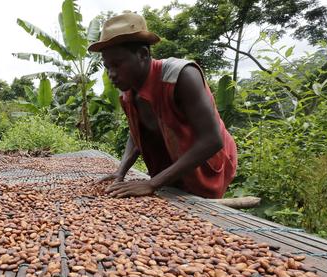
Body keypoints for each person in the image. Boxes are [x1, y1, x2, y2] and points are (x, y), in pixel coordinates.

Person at [90, 11, 237, 199]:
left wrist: (152, 183)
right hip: (173, 160)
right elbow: (136, 133)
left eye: (117, 64)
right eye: (107, 66)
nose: (111, 74)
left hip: (208, 163)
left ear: (143, 54)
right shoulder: (127, 92)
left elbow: (212, 140)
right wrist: (121, 171)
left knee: (201, 209)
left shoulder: (182, 76)